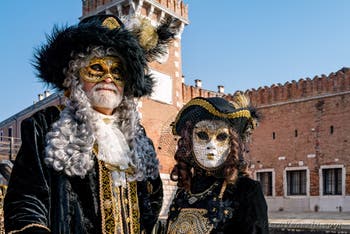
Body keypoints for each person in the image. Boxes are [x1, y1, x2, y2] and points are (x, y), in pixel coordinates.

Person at [4, 14, 179, 234]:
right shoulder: (47, 125)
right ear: (74, 75)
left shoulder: (137, 136)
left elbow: (153, 198)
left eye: (117, 71)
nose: (108, 78)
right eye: (96, 68)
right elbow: (27, 200)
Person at [166, 93, 269, 234]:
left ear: (232, 144)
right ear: (189, 143)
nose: (211, 145)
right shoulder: (184, 192)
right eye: (202, 135)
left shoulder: (246, 191)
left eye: (221, 137)